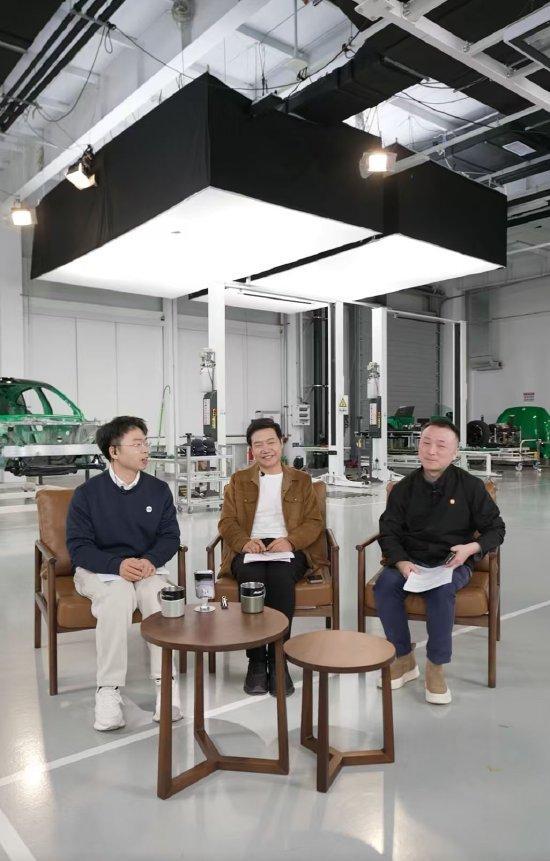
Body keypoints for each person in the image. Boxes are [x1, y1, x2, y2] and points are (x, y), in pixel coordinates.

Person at [374, 419, 505, 705]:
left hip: (451, 562)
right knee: (384, 587)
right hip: (410, 561)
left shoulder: (471, 487)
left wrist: (470, 548)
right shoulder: (404, 488)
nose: (432, 451)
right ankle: (404, 658)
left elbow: (496, 529)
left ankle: (436, 666)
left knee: (441, 591)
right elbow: (389, 532)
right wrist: (401, 562)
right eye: (426, 443)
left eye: (441, 445)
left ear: (455, 452)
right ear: (418, 446)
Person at [66, 416, 183, 731]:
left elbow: (170, 537)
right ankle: (108, 690)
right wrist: (116, 566)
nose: (145, 450)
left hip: (145, 568)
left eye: (146, 442)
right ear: (114, 452)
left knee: (158, 597)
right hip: (99, 570)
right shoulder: (87, 494)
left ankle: (166, 685)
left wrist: (149, 560)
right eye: (137, 444)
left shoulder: (158, 490)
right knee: (117, 596)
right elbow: (78, 547)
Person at [218, 418, 324, 697]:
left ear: (281, 443)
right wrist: (244, 543)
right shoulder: (239, 481)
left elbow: (314, 522)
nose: (265, 449)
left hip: (288, 547)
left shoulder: (301, 481)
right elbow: (227, 522)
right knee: (252, 581)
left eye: (271, 442)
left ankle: (278, 658)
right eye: (258, 445)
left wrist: (290, 541)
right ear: (251, 450)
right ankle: (256, 660)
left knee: (279, 577)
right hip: (250, 547)